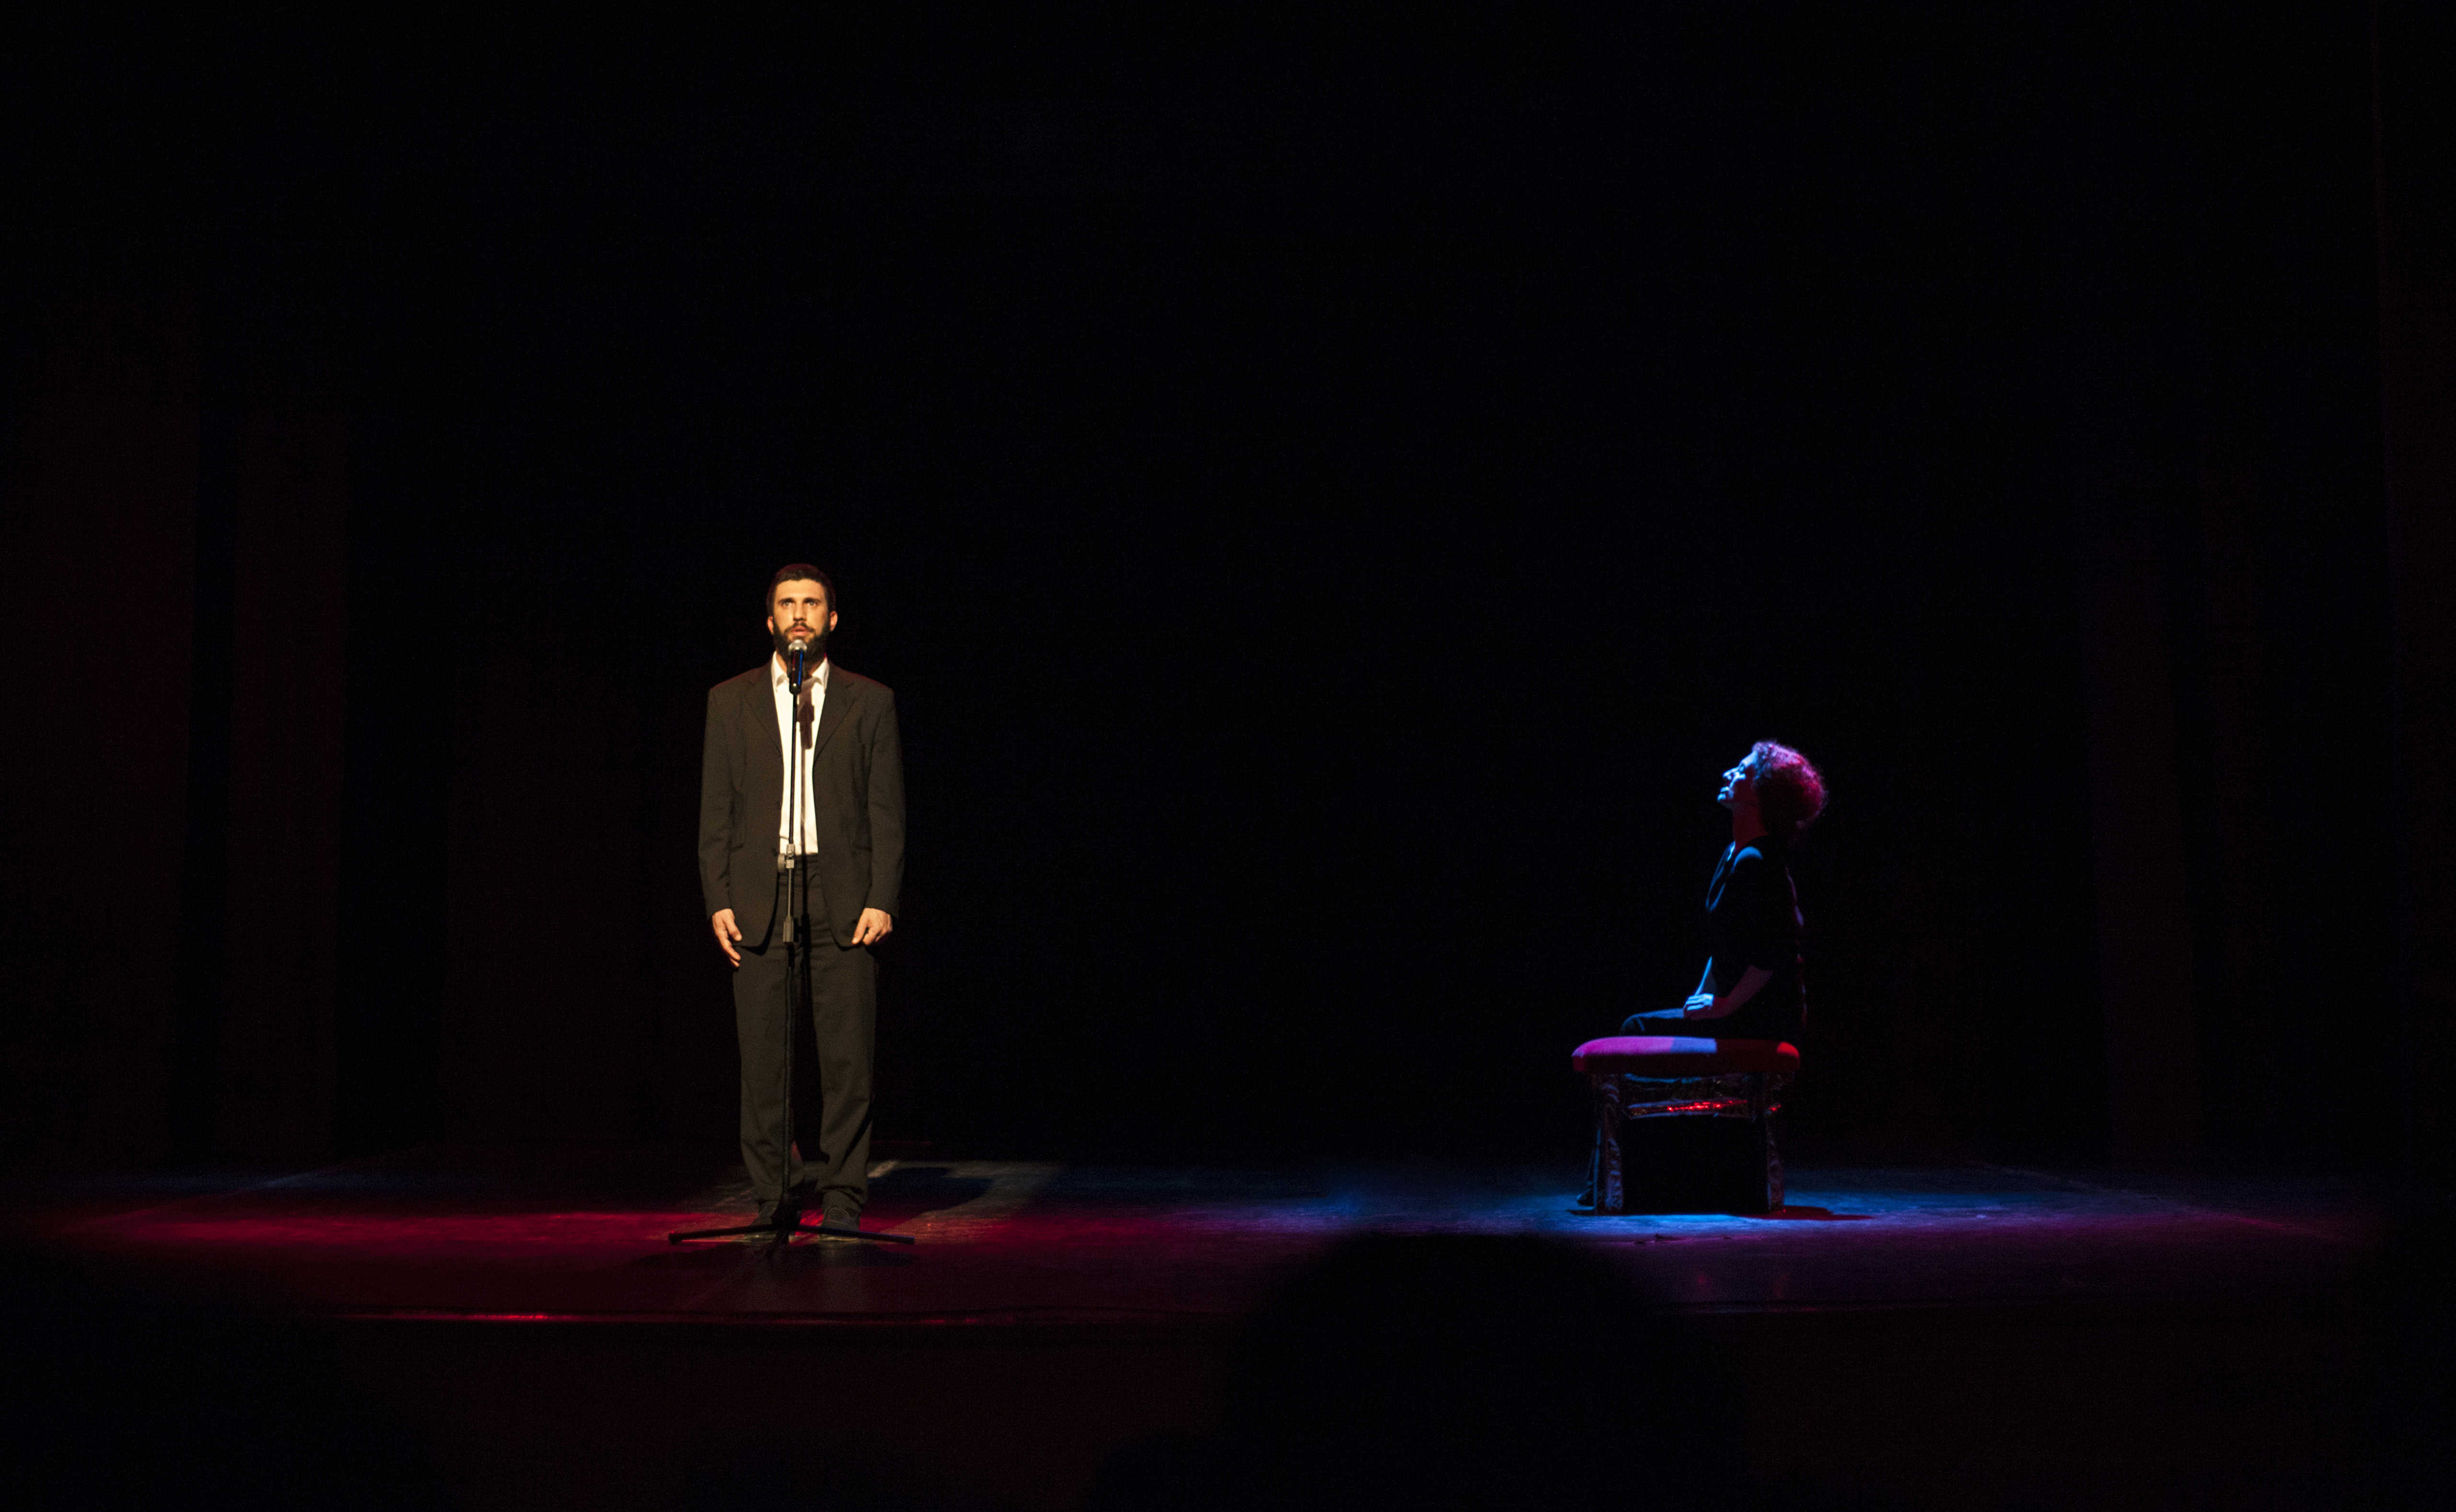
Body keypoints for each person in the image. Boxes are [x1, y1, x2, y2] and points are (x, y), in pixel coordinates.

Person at [698, 565, 904, 1230]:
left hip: (842, 892)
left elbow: (887, 811)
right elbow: (716, 811)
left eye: (811, 603)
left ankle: (843, 1199)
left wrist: (882, 895)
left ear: (831, 619)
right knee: (765, 1062)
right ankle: (775, 1196)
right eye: (787, 603)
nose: (798, 613)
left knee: (847, 1060)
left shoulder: (869, 700)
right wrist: (718, 896)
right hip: (762, 889)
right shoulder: (730, 700)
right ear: (769, 620)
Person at [1624, 740, 1826, 1044]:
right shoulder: (1734, 853)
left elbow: (1773, 954)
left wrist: (1725, 1005)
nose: (1728, 774)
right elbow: (1722, 945)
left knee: (1636, 1029)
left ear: (1761, 795)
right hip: (1734, 1008)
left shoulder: (1758, 861)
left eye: (1742, 771)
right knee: (1644, 1027)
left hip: (1763, 1017)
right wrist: (1700, 998)